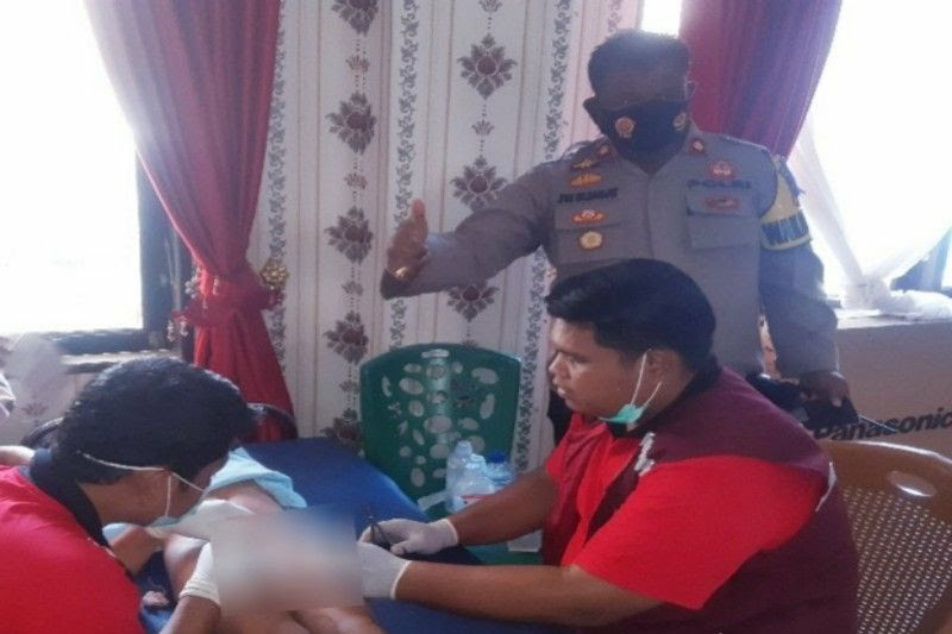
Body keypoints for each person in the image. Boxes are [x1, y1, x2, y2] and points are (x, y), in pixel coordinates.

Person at [381, 30, 848, 441]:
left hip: (720, 394)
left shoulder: (753, 171)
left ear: (688, 91)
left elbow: (792, 275)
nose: (650, 108)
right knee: (595, 508)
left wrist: (815, 364)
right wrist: (416, 258)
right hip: (601, 405)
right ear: (597, 110)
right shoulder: (556, 183)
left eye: (665, 93)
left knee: (715, 508)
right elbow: (476, 246)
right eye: (627, 100)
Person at [358, 259, 859, 632]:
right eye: (556, 352)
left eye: (575, 359)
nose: (554, 371)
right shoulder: (635, 399)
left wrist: (399, 579)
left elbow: (588, 598)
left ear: (654, 364)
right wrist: (445, 531)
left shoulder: (728, 466)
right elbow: (554, 483)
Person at [0, 357, 249, 633]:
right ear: (157, 482)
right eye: (209, 477)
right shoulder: (77, 585)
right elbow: (72, 587)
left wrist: (151, 533)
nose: (209, 486)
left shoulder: (16, 481)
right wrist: (204, 593)